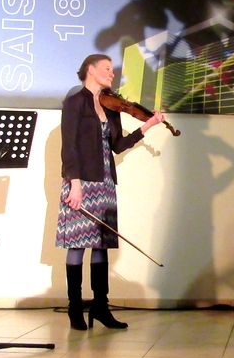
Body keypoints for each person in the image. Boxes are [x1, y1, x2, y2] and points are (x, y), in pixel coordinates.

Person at [56, 54, 165, 330]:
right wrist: (75, 184)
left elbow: (117, 145)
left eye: (112, 70)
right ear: (90, 71)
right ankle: (74, 309)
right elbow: (68, 146)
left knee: (101, 245)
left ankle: (101, 308)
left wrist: (147, 126)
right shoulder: (75, 102)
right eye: (106, 69)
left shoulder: (111, 106)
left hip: (105, 183)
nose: (111, 74)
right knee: (77, 246)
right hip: (81, 181)